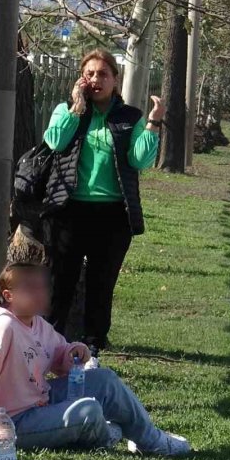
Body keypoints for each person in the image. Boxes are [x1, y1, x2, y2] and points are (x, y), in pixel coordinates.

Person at [0, 262, 191, 455]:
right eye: (31, 288)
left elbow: (59, 353)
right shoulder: (1, 329)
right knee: (88, 410)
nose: (41, 294)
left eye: (43, 287)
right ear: (9, 295)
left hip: (41, 401)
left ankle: (150, 440)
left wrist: (75, 351)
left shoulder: (36, 323)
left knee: (105, 380)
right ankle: (107, 435)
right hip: (14, 421)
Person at [42, 49, 164, 366]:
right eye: (90, 74)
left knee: (101, 284)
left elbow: (140, 160)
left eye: (103, 74)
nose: (96, 79)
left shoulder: (129, 117)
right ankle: (48, 346)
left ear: (115, 79)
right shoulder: (66, 110)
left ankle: (92, 349)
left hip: (112, 216)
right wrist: (76, 107)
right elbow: (55, 142)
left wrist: (153, 123)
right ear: (81, 78)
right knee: (60, 282)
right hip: (69, 211)